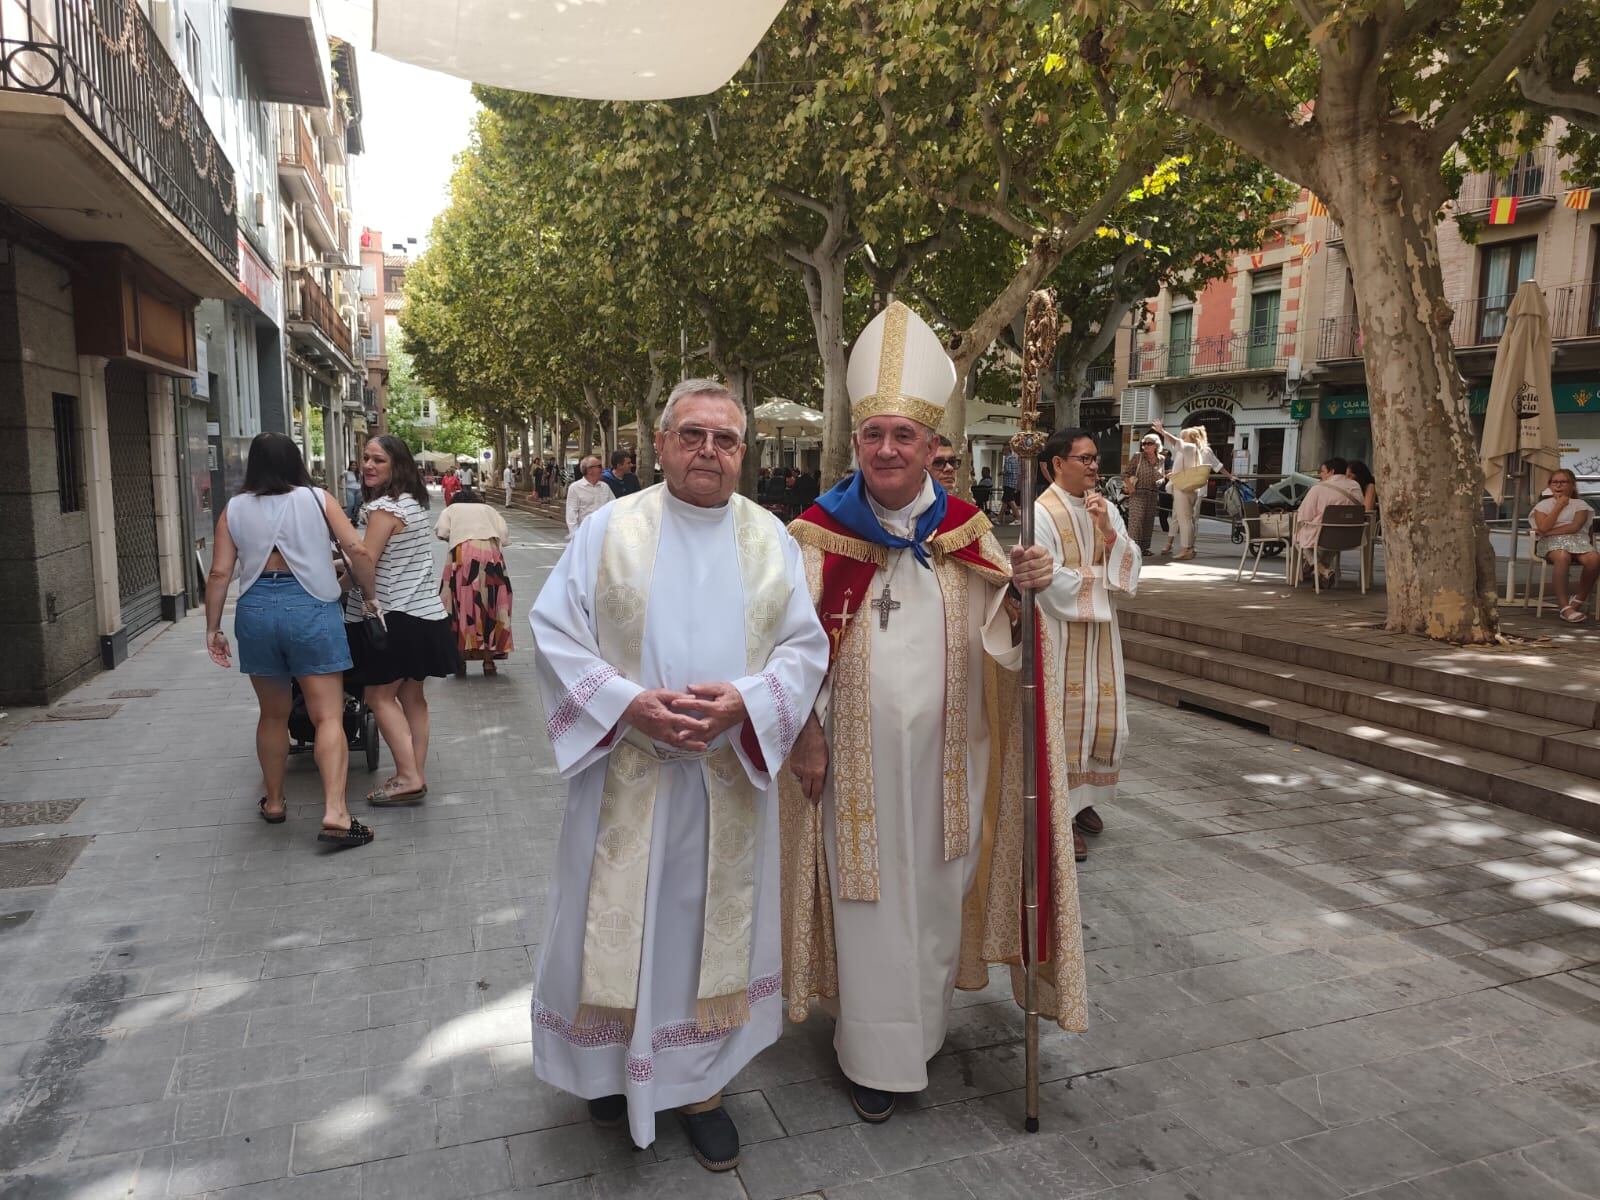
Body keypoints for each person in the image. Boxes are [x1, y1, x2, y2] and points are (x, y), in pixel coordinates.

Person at [782, 302, 1085, 1125]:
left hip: (953, 766)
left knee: (936, 897)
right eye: (874, 434)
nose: (887, 449)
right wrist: (804, 734)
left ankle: (919, 1031)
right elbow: (784, 649)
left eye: (903, 437)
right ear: (860, 444)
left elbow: (1009, 646)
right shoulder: (814, 538)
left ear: (930, 449)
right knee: (870, 902)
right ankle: (875, 1057)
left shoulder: (970, 533)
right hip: (854, 773)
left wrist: (1024, 596)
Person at [528, 379, 827, 1171]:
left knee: (704, 933)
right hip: (623, 770)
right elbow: (555, 633)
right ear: (659, 447)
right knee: (607, 923)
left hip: (721, 778)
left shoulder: (772, 540)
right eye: (692, 435)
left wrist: (746, 702)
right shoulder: (608, 530)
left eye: (725, 440)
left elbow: (804, 650)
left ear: (743, 453)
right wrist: (627, 705)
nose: (708, 451)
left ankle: (701, 1090)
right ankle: (604, 1068)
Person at [203, 433, 378, 849]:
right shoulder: (318, 499)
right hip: (311, 607)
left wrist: (212, 629)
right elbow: (356, 549)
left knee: (272, 714)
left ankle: (276, 801)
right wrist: (368, 594)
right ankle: (336, 812)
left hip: (257, 609)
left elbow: (219, 574)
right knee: (328, 716)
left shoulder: (235, 509)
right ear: (296, 461)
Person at [1034, 427, 1141, 862]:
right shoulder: (1040, 512)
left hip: (1099, 635)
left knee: (1102, 719)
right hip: (1060, 633)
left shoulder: (1106, 508)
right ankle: (1059, 815)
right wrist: (1101, 583)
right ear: (1059, 464)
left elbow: (1131, 567)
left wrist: (1108, 532)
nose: (1095, 466)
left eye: (1096, 458)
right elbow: (1046, 578)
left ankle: (1083, 805)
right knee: (1064, 722)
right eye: (1085, 458)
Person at [347, 435, 460, 805]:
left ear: (397, 466)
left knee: (378, 696)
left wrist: (341, 584)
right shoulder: (412, 504)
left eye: (378, 460)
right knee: (412, 696)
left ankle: (408, 776)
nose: (368, 465)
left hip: (396, 615)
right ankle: (415, 772)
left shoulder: (383, 509)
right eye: (365, 457)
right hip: (425, 616)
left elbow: (366, 560)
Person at [436, 486, 514, 674]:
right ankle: (488, 661)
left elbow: (442, 532)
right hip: (491, 557)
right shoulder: (489, 510)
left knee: (462, 605)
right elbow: (503, 536)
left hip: (462, 555)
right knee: (490, 605)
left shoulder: (451, 510)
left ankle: (461, 659)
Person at [1532, 468, 1598, 622]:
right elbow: (1542, 526)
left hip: (1578, 540)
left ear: (1572, 485)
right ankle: (1564, 607)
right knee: (1562, 556)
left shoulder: (1580, 504)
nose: (1559, 485)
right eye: (1555, 482)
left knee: (1594, 559)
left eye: (1563, 482)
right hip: (1551, 544)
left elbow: (1574, 527)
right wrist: (1559, 505)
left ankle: (1578, 600)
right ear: (1549, 485)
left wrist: (1546, 532)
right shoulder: (1542, 506)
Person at [1152, 422, 1223, 560]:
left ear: (1190, 439)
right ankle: (1188, 548)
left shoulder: (1190, 448)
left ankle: (1186, 549)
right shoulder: (1191, 451)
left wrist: (1163, 432)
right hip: (1187, 488)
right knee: (1187, 519)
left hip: (1184, 489)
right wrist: (1173, 475)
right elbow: (1185, 468)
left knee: (1184, 520)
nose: (1181, 439)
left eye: (1184, 437)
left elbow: (1177, 442)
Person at [1293, 457, 1365, 584]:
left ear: (1331, 472)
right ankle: (1321, 573)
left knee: (1297, 537)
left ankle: (1321, 569)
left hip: (1323, 536)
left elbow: (1304, 515)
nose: (1320, 474)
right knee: (1332, 540)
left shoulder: (1318, 488)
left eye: (1322, 471)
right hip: (1352, 536)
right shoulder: (1355, 486)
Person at [1123, 433, 1165, 555]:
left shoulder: (1161, 459)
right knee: (1136, 521)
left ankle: (1144, 549)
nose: (1145, 446)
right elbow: (1125, 474)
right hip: (1137, 493)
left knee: (1148, 522)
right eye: (1144, 443)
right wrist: (1130, 487)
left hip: (1152, 494)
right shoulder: (1138, 457)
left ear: (1156, 446)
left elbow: (1162, 477)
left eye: (1149, 443)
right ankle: (1132, 549)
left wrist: (1160, 481)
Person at [565, 454, 613, 534]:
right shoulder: (575, 488)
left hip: (603, 532)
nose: (603, 469)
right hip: (585, 533)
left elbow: (613, 506)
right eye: (599, 466)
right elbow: (571, 514)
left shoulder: (605, 487)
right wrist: (576, 536)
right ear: (589, 470)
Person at [1000, 447, 1021, 522]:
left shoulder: (1007, 459)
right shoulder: (1015, 458)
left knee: (1011, 500)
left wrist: (1002, 472)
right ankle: (1000, 518)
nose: (1002, 451)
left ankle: (1018, 517)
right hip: (1013, 482)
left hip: (1008, 482)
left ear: (1007, 450)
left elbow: (1008, 470)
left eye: (1003, 450)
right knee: (1005, 501)